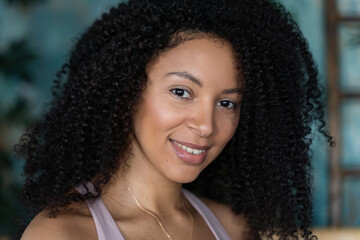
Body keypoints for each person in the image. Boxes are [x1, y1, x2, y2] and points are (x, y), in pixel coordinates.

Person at [16, 0, 333, 239]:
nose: (206, 125)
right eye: (181, 92)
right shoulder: (64, 234)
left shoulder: (234, 227)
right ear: (126, 90)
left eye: (226, 102)